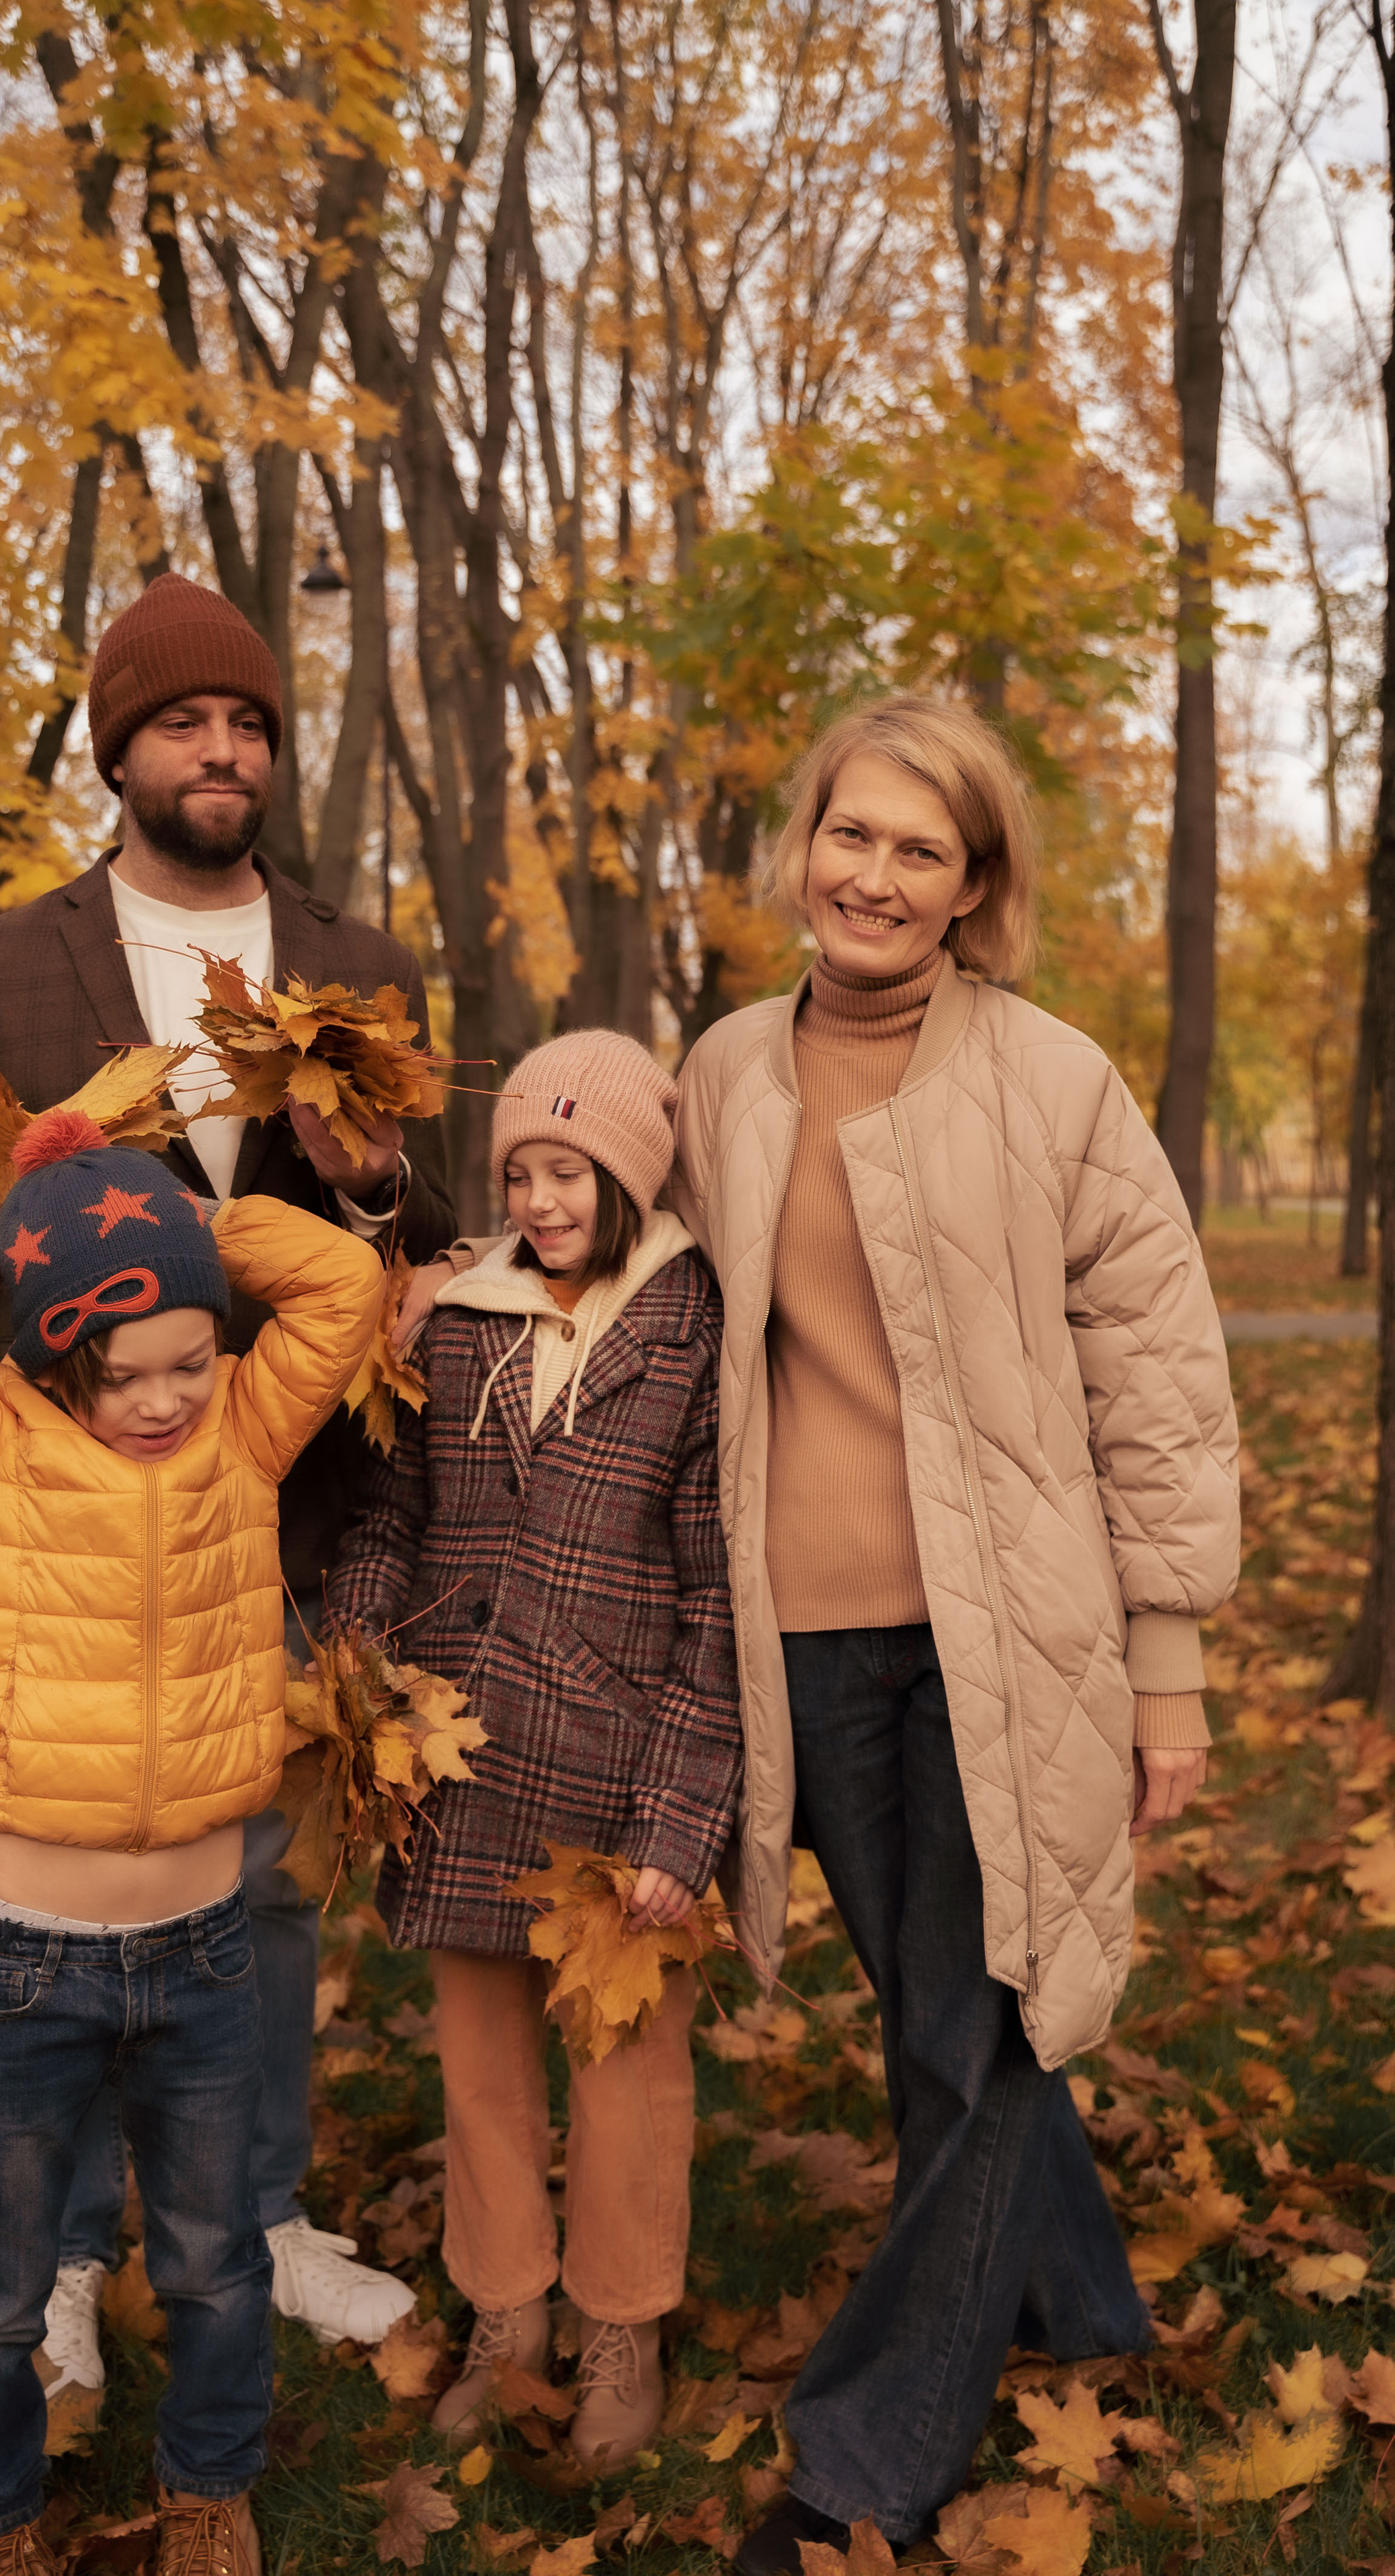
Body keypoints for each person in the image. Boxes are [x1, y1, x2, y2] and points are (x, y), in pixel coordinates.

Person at [668, 694, 1239, 2565]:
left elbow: (1156, 1379)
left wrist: (1169, 1665)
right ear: (805, 847)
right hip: (806, 1638)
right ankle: (1078, 2298)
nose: (880, 875)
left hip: (1019, 1634)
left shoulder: (1055, 1077)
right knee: (935, 2020)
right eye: (855, 834)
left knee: (985, 2026)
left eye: (926, 848)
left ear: (974, 882)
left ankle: (862, 2460)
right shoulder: (727, 1071)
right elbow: (653, 1306)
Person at [0, 573, 452, 2372]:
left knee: (262, 1882)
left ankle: (254, 2211)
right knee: (57, 1866)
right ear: (120, 745)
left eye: (252, 723)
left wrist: (357, 1187)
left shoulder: (358, 961)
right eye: (188, 721)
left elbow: (406, 1240)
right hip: (46, 1499)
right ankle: (50, 2260)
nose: (223, 750)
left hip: (280, 1495)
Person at [0, 1111, 385, 2576]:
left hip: (203, 1959)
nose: (160, 1402)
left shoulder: (248, 1438)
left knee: (212, 2263)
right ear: (51, 1359)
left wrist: (179, 1227)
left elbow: (339, 1288)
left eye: (189, 1362)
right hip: (27, 1963)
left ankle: (208, 2488)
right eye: (121, 1375)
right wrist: (15, 1235)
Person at [327, 1032, 742, 2468]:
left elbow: (716, 1596)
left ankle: (620, 2320)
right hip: (460, 1757)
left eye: (569, 1169)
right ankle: (505, 2314)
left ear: (626, 1174)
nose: (544, 1197)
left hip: (621, 1771)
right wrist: (359, 1651)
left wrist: (685, 1818)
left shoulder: (692, 1328)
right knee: (481, 2065)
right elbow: (390, 1516)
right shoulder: (459, 1315)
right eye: (519, 1172)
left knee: (626, 2069)